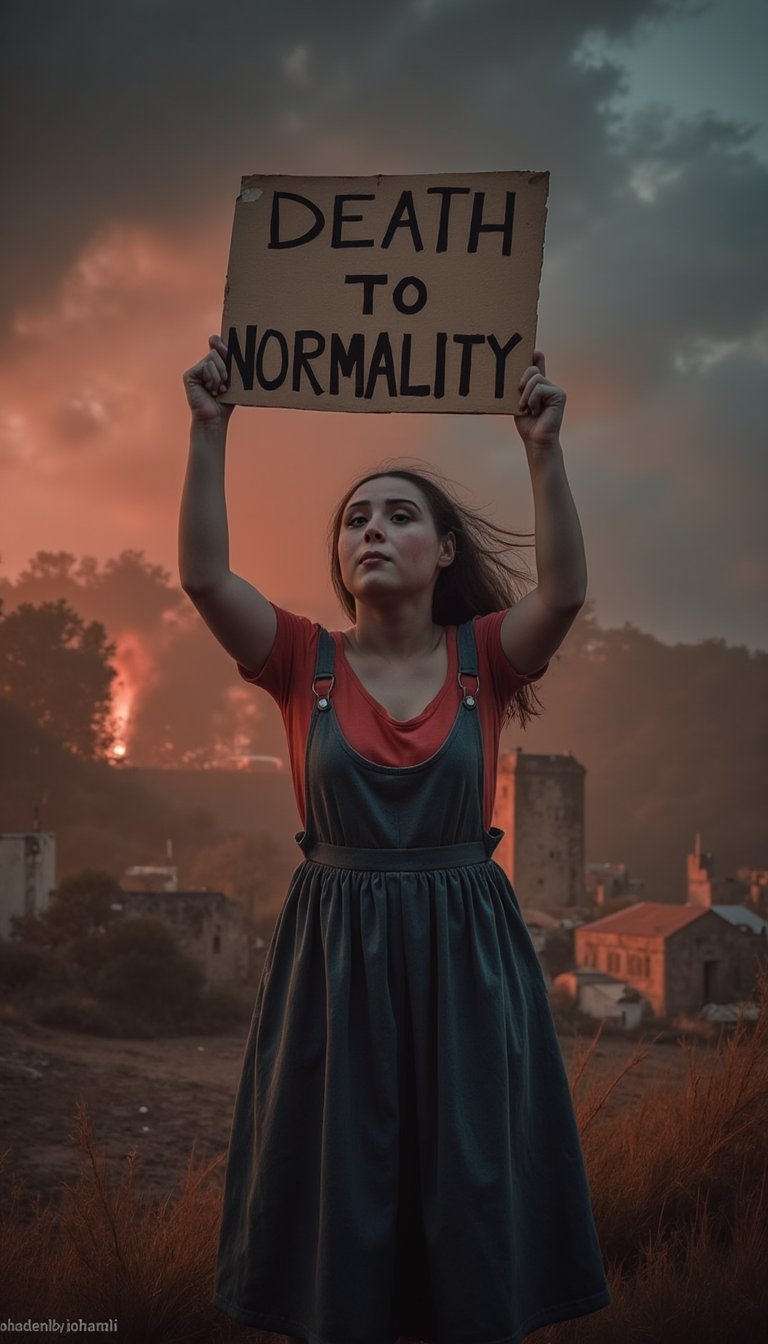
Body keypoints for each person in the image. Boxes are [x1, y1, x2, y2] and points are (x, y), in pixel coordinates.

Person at [179, 335, 613, 1344]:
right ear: (339, 555)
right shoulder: (302, 659)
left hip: (468, 958)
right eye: (355, 520)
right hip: (336, 960)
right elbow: (205, 578)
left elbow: (563, 595)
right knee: (343, 1195)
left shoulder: (484, 658)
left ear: (445, 550)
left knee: (468, 1191)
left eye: (400, 514)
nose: (373, 529)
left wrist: (543, 449)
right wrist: (210, 426)